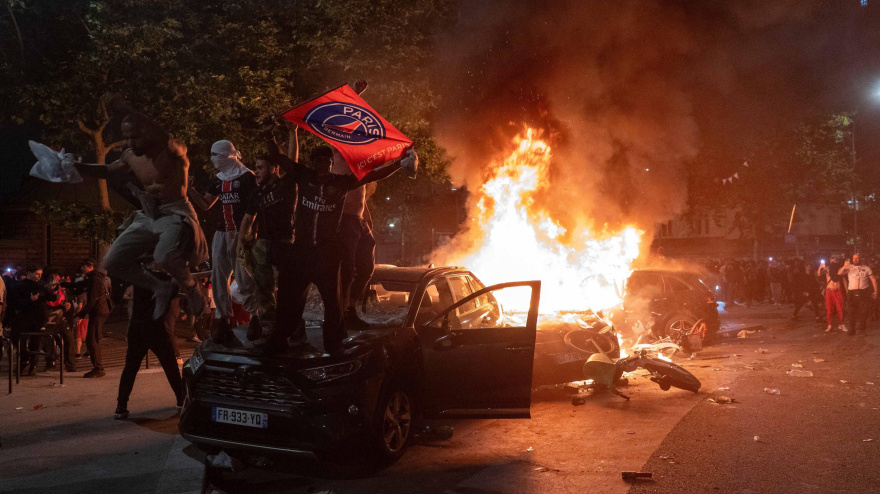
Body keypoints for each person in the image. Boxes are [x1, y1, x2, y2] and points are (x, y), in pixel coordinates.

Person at [245, 121, 416, 354]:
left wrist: (399, 163)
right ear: (314, 164)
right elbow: (280, 159)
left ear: (331, 164)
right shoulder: (303, 176)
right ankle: (279, 341)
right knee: (288, 300)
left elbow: (373, 174)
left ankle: (334, 347)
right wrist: (269, 136)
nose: (323, 166)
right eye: (319, 162)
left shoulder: (342, 183)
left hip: (327, 253)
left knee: (333, 304)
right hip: (302, 251)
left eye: (327, 162)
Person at [73, 96, 208, 322]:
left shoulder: (174, 151)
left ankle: (191, 286)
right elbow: (108, 170)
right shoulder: (128, 155)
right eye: (126, 138)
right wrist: (77, 167)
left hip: (175, 210)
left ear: (147, 132)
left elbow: (164, 136)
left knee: (163, 256)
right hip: (148, 213)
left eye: (135, 137)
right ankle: (160, 288)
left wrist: (125, 108)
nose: (130, 143)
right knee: (112, 261)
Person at [188, 140, 258, 343]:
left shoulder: (248, 178)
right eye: (211, 155)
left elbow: (254, 209)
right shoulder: (217, 180)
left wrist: (250, 235)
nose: (213, 160)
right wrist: (190, 190)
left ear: (230, 155)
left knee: (244, 277)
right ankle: (223, 319)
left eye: (217, 155)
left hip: (241, 234)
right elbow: (206, 204)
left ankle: (254, 317)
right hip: (221, 233)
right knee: (219, 278)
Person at [115, 280, 185, 420]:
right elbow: (176, 293)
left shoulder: (140, 279)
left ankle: (121, 406)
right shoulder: (165, 281)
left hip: (137, 327)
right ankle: (181, 399)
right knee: (170, 365)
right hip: (156, 327)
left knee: (130, 368)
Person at [64, 259, 111, 378]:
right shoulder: (93, 277)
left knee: (92, 339)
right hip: (99, 311)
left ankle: (98, 368)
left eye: (84, 266)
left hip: (98, 311)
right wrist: (65, 284)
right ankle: (98, 367)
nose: (82, 268)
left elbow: (92, 300)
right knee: (92, 339)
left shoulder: (95, 279)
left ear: (90, 266)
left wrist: (80, 315)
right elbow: (80, 286)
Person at [838, 253, 877, 335]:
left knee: (863, 312)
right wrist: (844, 266)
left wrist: (876, 291)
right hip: (852, 292)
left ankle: (862, 330)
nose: (855, 260)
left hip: (863, 292)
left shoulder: (866, 268)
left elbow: (873, 279)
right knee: (851, 312)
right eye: (854, 258)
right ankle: (852, 330)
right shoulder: (849, 267)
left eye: (857, 258)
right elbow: (839, 273)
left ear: (860, 259)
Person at [819, 259, 845, 333]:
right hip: (829, 291)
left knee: (840, 308)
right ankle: (829, 325)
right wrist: (820, 267)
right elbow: (819, 274)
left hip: (838, 291)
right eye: (832, 261)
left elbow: (843, 279)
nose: (833, 262)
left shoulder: (839, 269)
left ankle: (841, 323)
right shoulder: (827, 269)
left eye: (835, 261)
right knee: (829, 309)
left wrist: (846, 290)